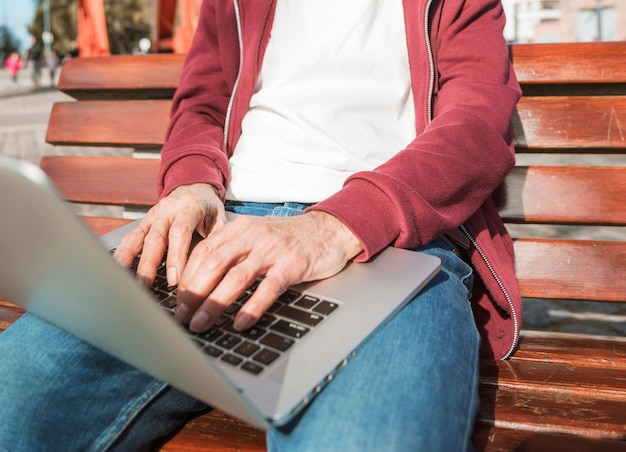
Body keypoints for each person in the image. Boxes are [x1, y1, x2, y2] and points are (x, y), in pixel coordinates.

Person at [0, 0, 522, 450]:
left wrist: (331, 228)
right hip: (223, 228)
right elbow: (201, 102)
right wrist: (191, 184)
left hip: (391, 244)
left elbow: (478, 121)